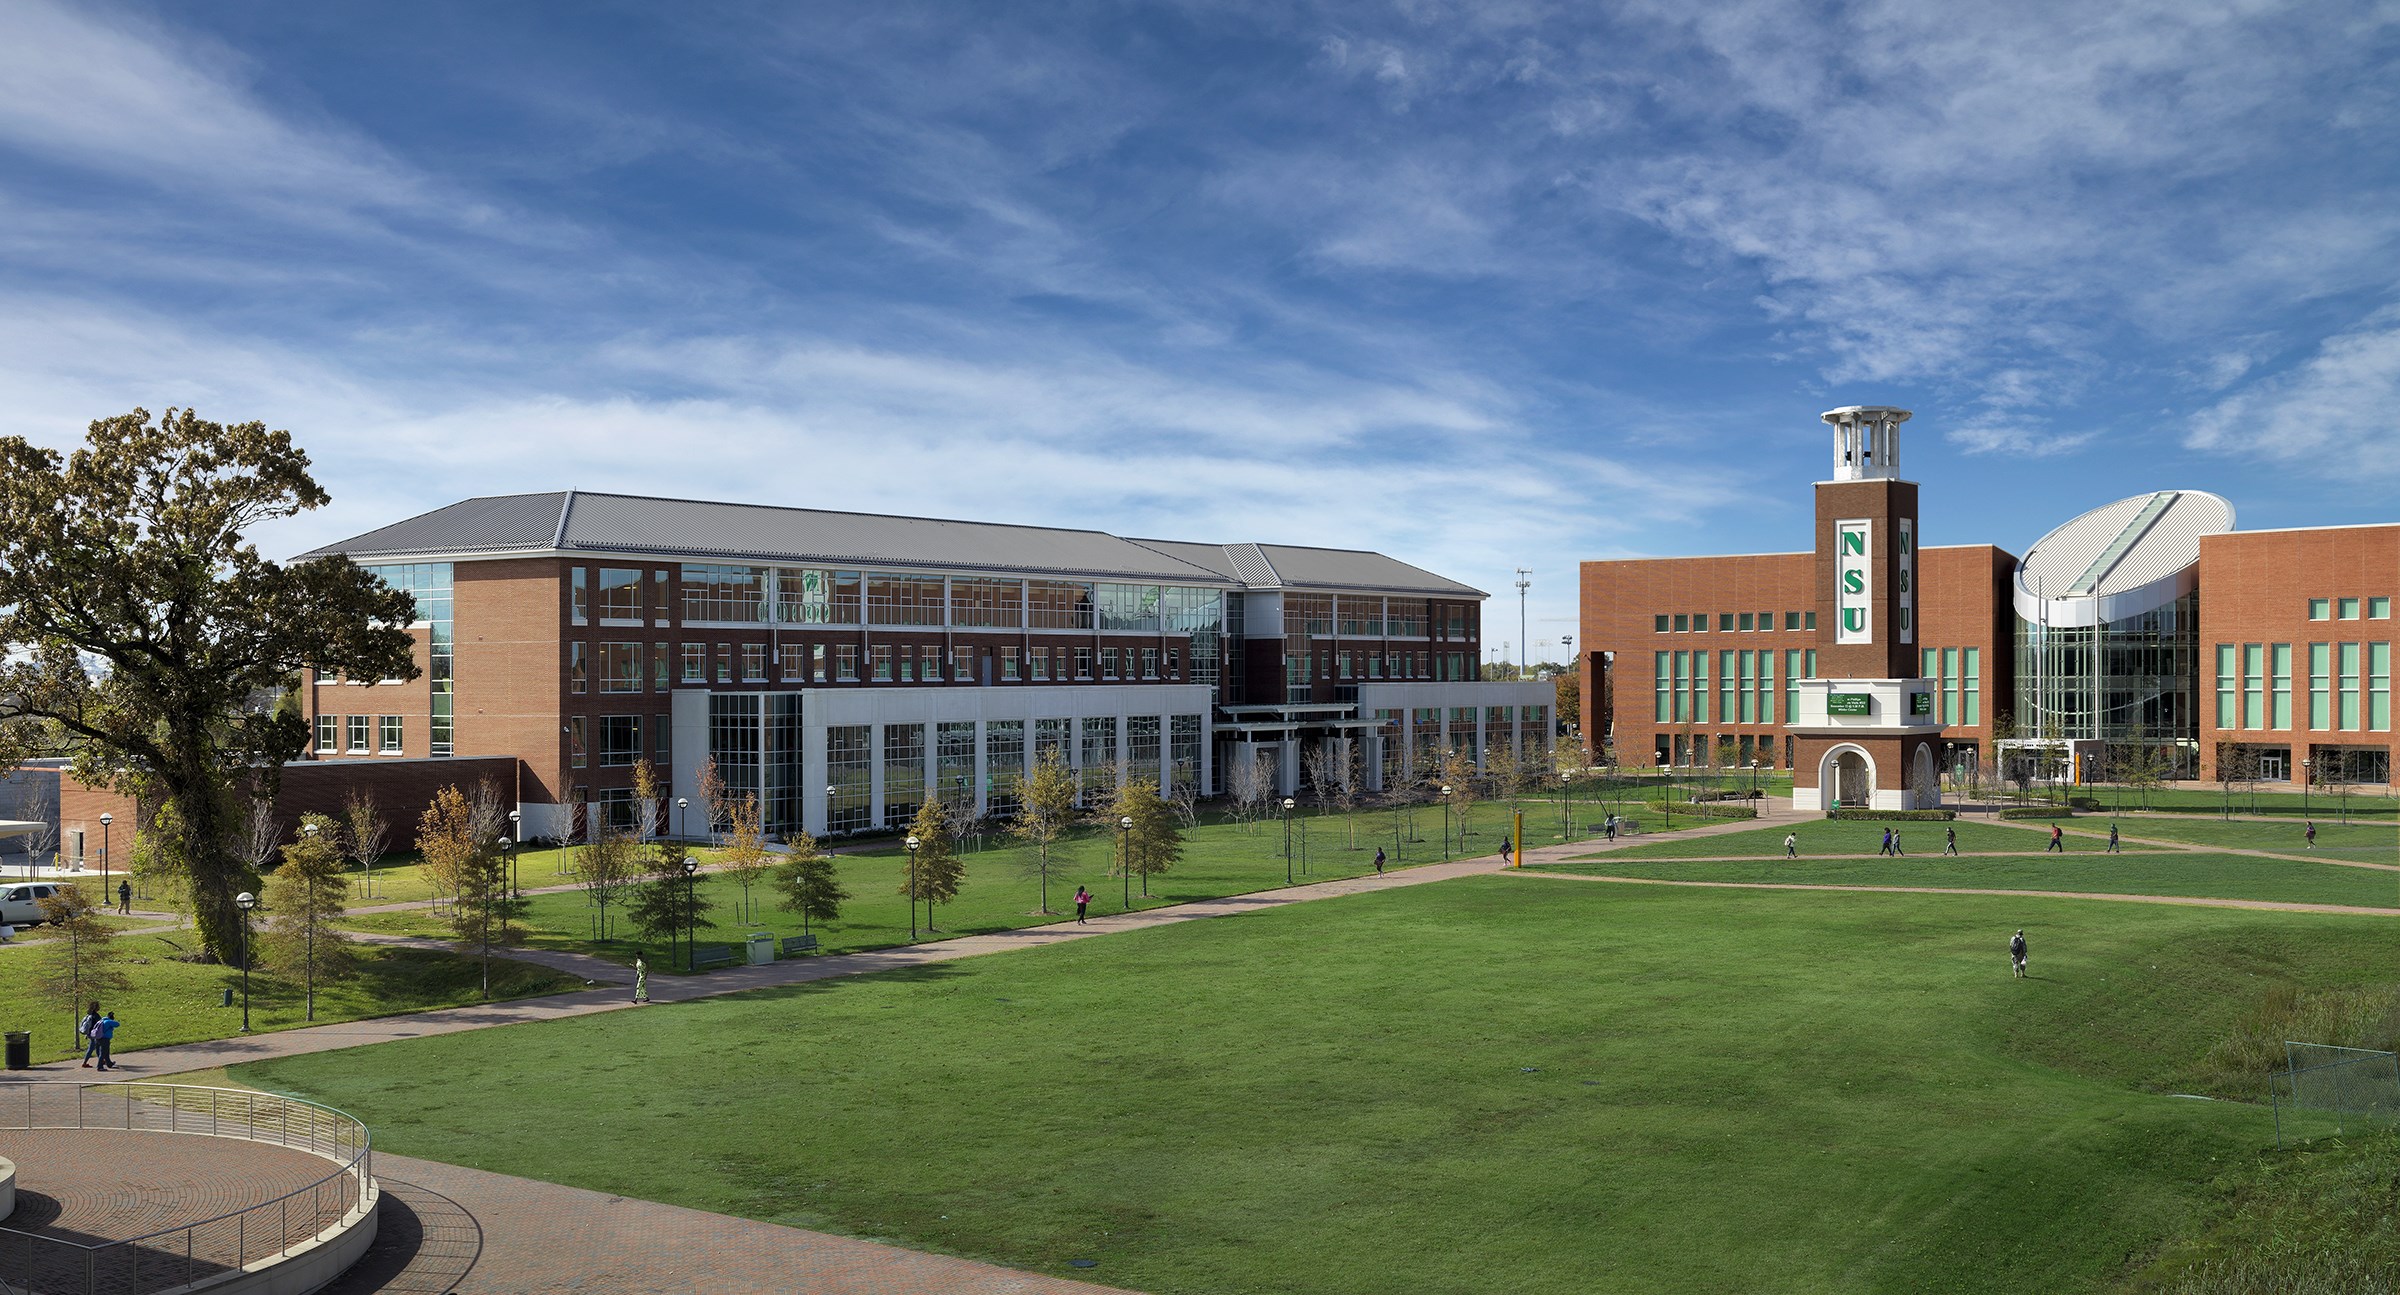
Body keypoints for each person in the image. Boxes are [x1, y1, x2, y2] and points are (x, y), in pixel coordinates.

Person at [77, 1002, 100, 1068]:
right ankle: (84, 1063)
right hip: (95, 1034)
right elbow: (99, 1025)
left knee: (97, 1047)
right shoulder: (96, 1016)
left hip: (90, 1034)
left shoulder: (89, 1015)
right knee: (92, 1048)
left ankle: (101, 1059)